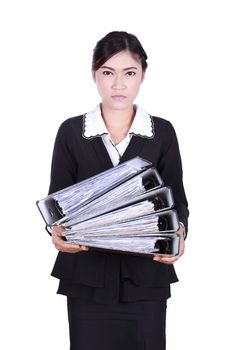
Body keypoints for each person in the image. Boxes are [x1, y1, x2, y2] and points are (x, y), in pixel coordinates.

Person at [48, 31, 189, 350]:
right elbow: (58, 202)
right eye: (107, 73)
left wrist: (179, 233)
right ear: (94, 76)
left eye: (129, 73)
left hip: (146, 278)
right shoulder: (72, 132)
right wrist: (55, 233)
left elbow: (176, 199)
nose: (118, 84)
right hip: (87, 280)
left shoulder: (161, 133)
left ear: (142, 76)